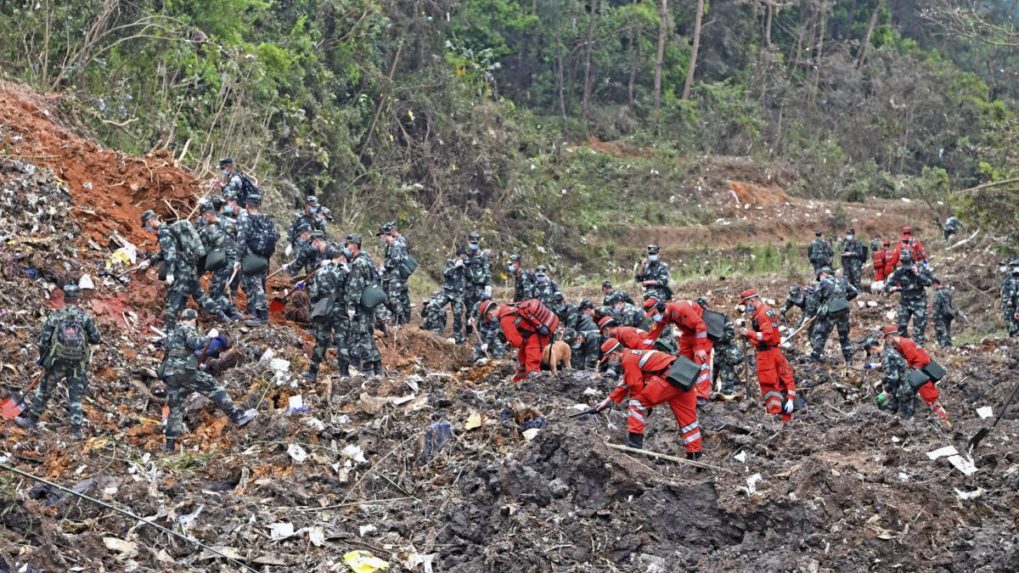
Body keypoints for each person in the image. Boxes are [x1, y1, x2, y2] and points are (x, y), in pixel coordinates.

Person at [159, 309, 257, 453]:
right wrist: (209, 337)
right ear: (192, 319)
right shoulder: (187, 328)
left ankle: (169, 446)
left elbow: (167, 353)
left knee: (176, 409)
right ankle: (237, 416)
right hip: (184, 371)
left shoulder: (172, 332)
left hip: (171, 374)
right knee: (214, 387)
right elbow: (195, 343)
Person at [14, 285, 102, 440]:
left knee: (44, 390)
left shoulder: (56, 316)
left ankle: (31, 421)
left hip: (57, 362)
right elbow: (96, 338)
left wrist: (44, 360)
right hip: (77, 365)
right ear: (78, 299)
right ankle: (76, 431)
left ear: (64, 298)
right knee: (75, 396)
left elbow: (44, 341)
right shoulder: (84, 317)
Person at [592, 340, 702, 459]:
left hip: (667, 378)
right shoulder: (633, 355)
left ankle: (634, 448)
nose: (611, 361)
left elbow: (634, 385)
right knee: (688, 420)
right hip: (682, 377)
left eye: (609, 358)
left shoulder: (628, 360)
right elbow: (626, 382)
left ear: (614, 354)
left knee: (636, 404)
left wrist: (644, 405)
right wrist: (607, 401)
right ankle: (695, 454)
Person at [138, 210, 230, 329]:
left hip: (180, 272)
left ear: (150, 220)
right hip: (189, 269)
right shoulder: (169, 229)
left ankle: (169, 332)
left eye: (146, 225)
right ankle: (224, 317)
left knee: (172, 302)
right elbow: (164, 253)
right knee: (201, 296)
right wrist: (149, 261)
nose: (147, 228)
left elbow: (170, 254)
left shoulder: (163, 233)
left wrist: (170, 273)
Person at [872, 326, 951, 429]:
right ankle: (941, 420)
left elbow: (922, 360)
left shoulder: (906, 344)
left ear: (890, 337)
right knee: (927, 398)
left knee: (930, 398)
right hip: (919, 374)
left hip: (922, 374)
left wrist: (910, 372)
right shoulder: (901, 346)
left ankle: (944, 423)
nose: (887, 342)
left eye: (887, 338)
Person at [739, 289, 797, 423]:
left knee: (769, 385)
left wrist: (749, 333)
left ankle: (775, 417)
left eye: (746, 303)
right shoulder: (767, 311)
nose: (746, 307)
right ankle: (785, 418)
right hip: (773, 352)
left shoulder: (761, 314)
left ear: (751, 300)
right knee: (782, 380)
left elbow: (766, 336)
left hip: (767, 356)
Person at [643, 297, 713, 402]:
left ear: (661, 307)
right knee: (683, 361)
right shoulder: (661, 318)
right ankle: (684, 389)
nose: (654, 317)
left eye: (654, 314)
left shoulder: (680, 308)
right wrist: (640, 353)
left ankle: (702, 395)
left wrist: (700, 348)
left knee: (700, 360)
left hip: (701, 332)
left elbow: (700, 325)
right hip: (688, 333)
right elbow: (650, 338)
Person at [302, 232, 344, 382]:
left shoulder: (321, 272)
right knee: (342, 342)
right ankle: (344, 375)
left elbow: (313, 293)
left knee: (321, 341)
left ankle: (313, 373)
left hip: (325, 307)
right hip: (340, 309)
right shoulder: (346, 272)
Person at [482, 299, 556, 382]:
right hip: (533, 334)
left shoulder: (505, 319)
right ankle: (519, 382)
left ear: (489, 314)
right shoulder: (508, 307)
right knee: (522, 360)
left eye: (489, 317)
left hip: (536, 337)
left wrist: (509, 341)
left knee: (532, 364)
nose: (491, 318)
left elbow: (516, 342)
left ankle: (536, 386)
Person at [343, 234, 383, 376]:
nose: (346, 248)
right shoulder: (366, 260)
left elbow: (355, 286)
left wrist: (351, 306)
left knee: (361, 335)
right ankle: (377, 366)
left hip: (360, 305)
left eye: (347, 245)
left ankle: (366, 368)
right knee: (367, 335)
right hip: (368, 304)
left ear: (354, 245)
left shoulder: (359, 263)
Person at [197, 202, 244, 321]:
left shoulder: (206, 230)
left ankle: (233, 314)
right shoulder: (230, 222)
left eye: (203, 216)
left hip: (224, 263)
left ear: (207, 214)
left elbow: (199, 249)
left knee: (215, 292)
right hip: (237, 262)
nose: (203, 219)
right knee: (224, 289)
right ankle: (229, 312)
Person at [808, 267, 859, 364]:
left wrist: (811, 313)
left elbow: (814, 299)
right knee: (844, 337)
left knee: (820, 335)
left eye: (819, 277)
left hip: (830, 313)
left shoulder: (823, 283)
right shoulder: (843, 281)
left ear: (822, 274)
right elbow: (854, 291)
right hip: (844, 311)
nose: (820, 280)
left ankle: (814, 360)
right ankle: (849, 361)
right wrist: (842, 300)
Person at [884, 250, 934, 346]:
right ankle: (903, 350)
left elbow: (930, 282)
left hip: (919, 302)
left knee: (919, 329)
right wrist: (892, 288)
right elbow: (887, 285)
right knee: (901, 328)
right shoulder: (900, 270)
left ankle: (919, 353)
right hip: (905, 302)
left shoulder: (921, 267)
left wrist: (918, 274)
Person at [379, 222, 411, 325]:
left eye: (382, 235)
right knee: (386, 297)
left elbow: (395, 260)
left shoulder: (396, 244)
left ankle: (401, 320)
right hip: (389, 275)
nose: (381, 238)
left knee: (394, 298)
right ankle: (395, 318)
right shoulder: (389, 245)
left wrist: (385, 266)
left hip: (395, 275)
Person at [436, 248, 470, 343]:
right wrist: (455, 266)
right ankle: (434, 330)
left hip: (459, 294)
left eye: (465, 255)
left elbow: (470, 277)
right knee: (435, 307)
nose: (464, 257)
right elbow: (445, 273)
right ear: (458, 255)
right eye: (462, 255)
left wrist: (465, 267)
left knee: (458, 316)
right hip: (448, 292)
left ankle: (458, 338)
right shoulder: (450, 263)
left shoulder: (466, 265)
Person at [463, 232, 492, 336]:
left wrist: (488, 286)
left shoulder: (482, 255)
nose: (474, 244)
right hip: (468, 287)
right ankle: (469, 333)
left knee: (480, 309)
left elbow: (487, 271)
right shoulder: (464, 254)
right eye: (472, 242)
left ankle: (480, 333)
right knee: (469, 310)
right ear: (468, 241)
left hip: (480, 287)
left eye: (476, 242)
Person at [469, 292, 506, 361]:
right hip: (482, 331)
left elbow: (492, 331)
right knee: (477, 351)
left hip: (494, 334)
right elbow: (472, 312)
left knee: (499, 349)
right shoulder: (478, 305)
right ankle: (480, 360)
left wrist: (487, 343)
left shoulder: (495, 313)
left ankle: (498, 360)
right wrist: (472, 318)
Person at [931, 279, 957, 348]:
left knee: (941, 333)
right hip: (948, 315)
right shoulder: (948, 292)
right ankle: (949, 347)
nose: (932, 287)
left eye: (932, 285)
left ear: (935, 284)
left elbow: (936, 308)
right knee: (947, 332)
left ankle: (946, 348)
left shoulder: (938, 294)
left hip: (940, 317)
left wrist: (933, 320)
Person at [1002, 260, 1019, 338]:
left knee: (1012, 320)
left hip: (1013, 304)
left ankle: (1015, 334)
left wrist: (1010, 300)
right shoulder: (1008, 277)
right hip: (1009, 303)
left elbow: (1013, 292)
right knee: (1009, 319)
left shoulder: (1013, 279)